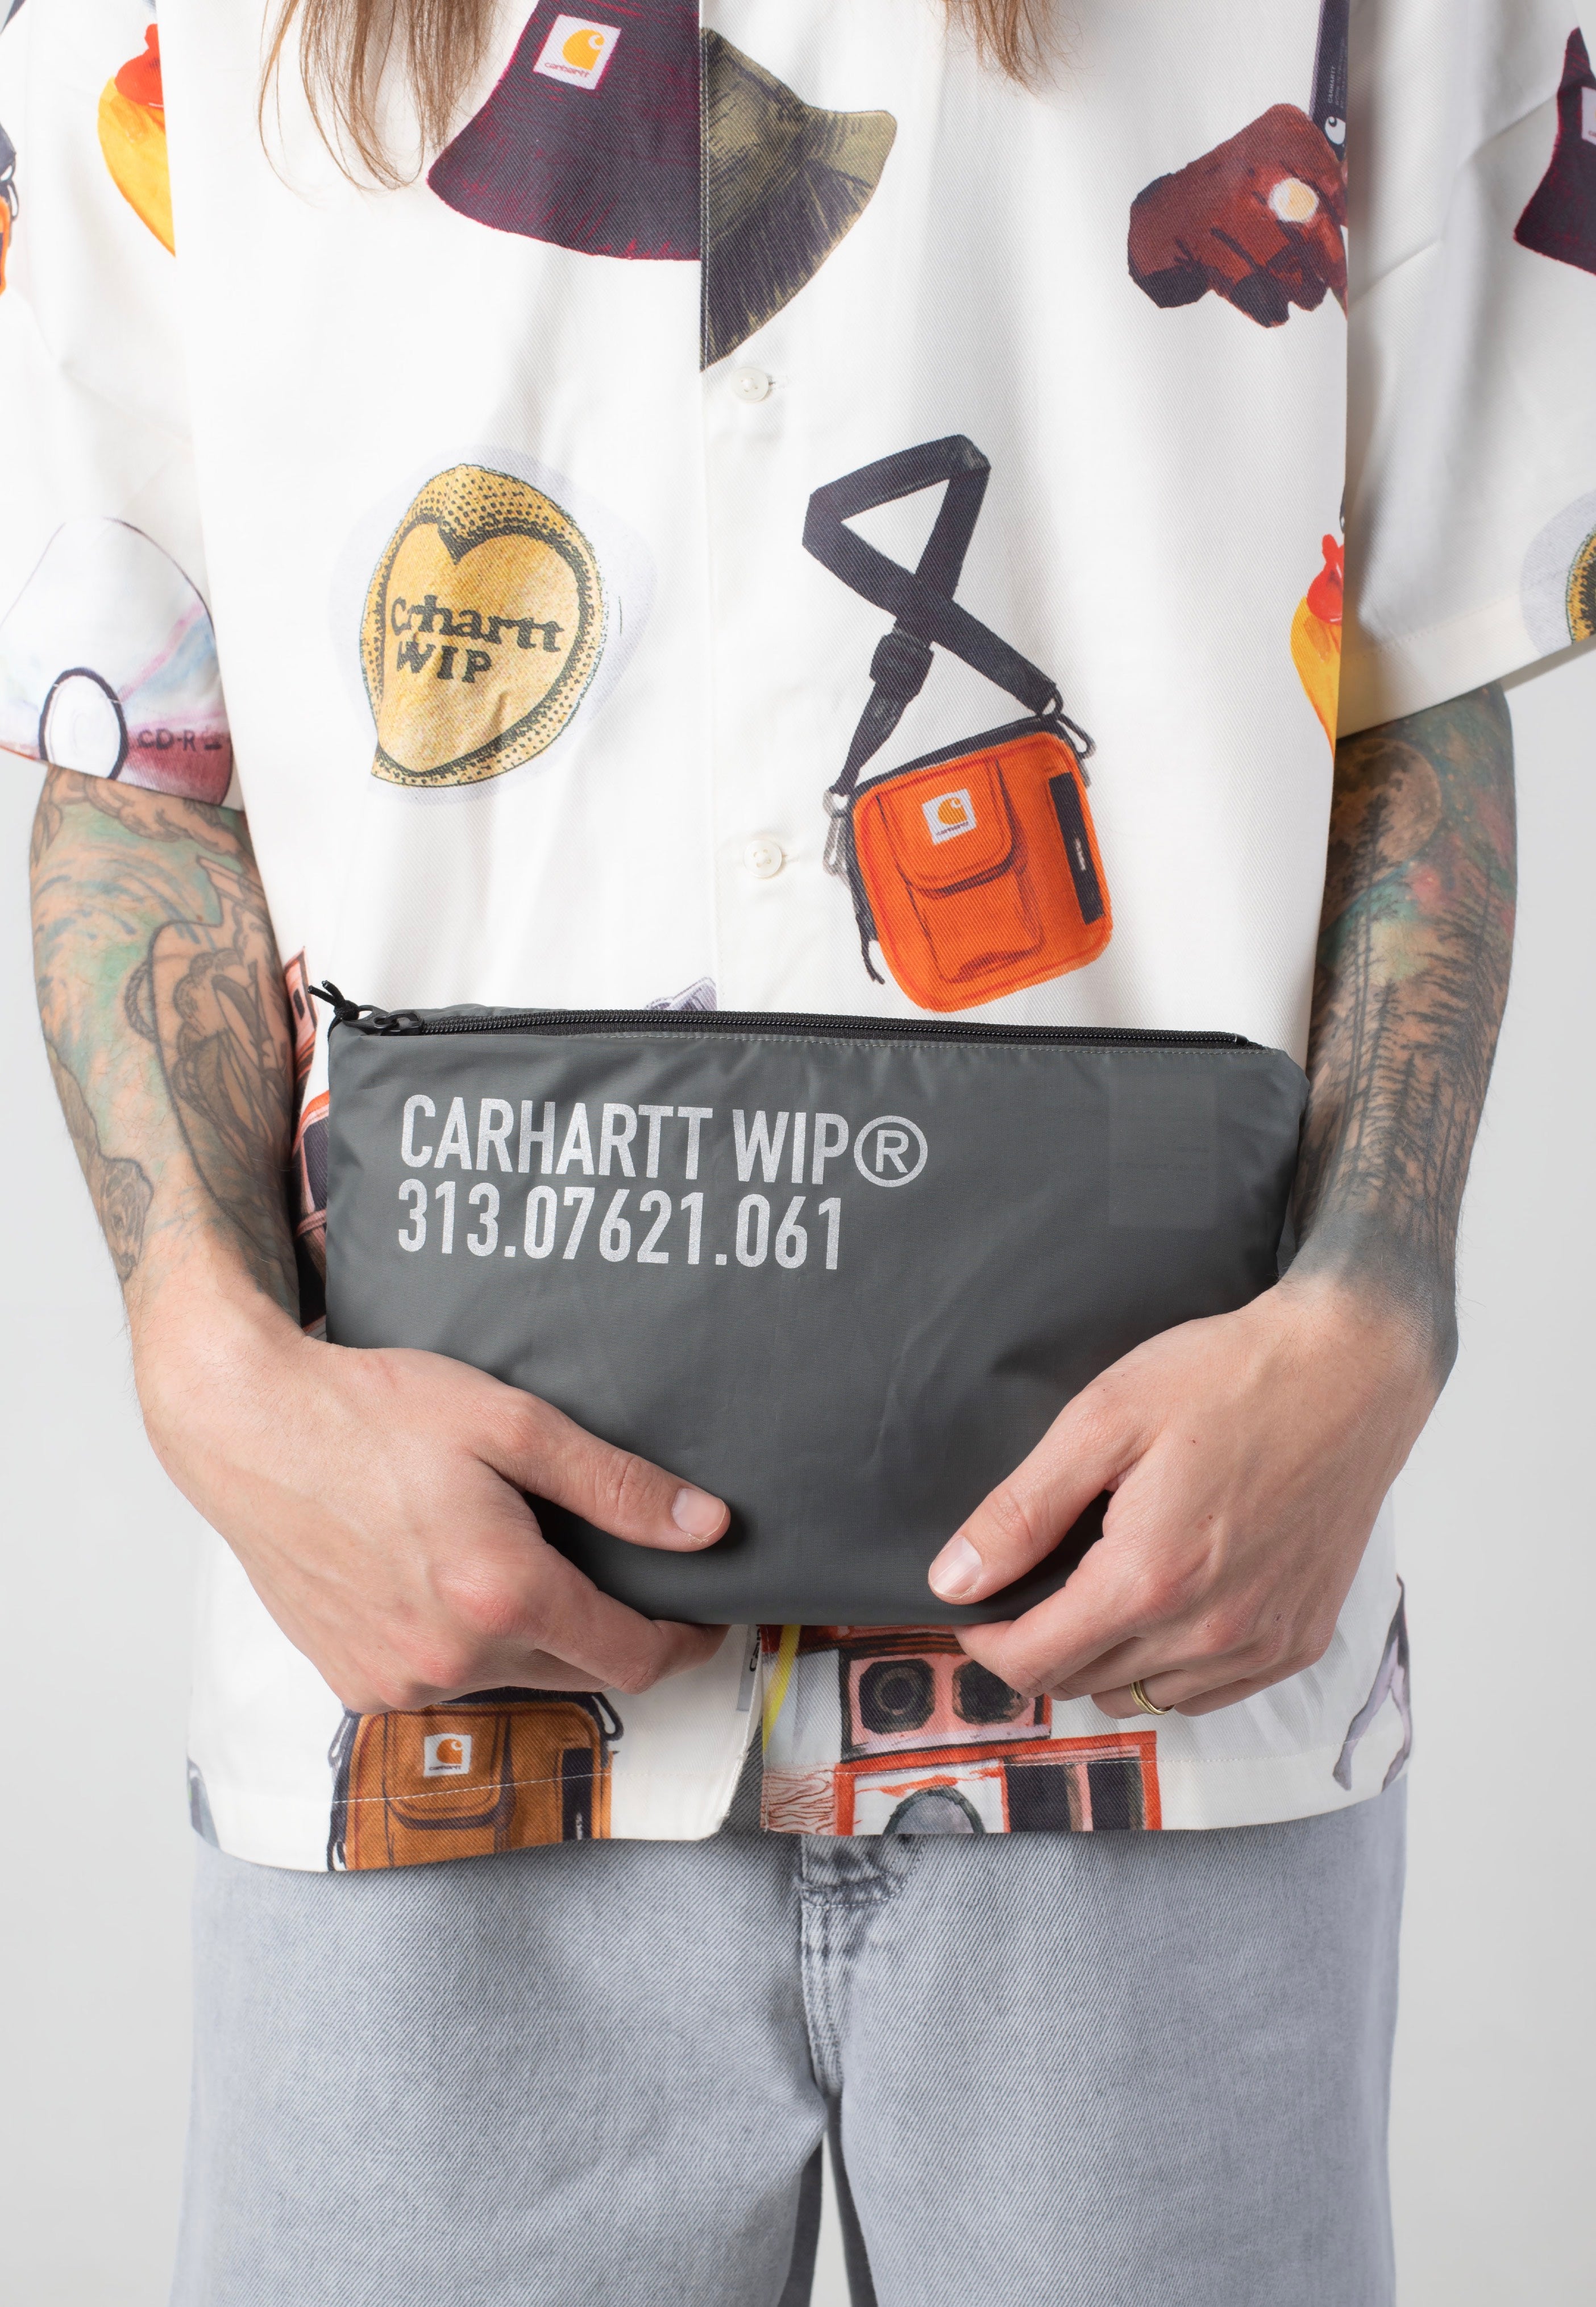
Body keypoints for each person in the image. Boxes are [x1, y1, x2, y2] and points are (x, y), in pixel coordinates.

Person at [2, 0, 1589, 2299]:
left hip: (1163, 1672)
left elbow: (1419, 657)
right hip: (427, 1693)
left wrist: (1376, 1307)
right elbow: (131, 722)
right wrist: (207, 1364)